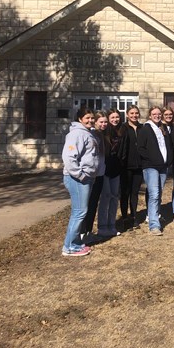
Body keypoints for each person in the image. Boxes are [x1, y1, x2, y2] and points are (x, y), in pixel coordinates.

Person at [61, 107, 99, 256]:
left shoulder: (88, 133)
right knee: (79, 212)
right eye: (87, 118)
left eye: (91, 118)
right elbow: (69, 158)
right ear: (80, 119)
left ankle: (75, 242)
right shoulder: (76, 134)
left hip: (86, 178)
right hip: (77, 179)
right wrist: (81, 175)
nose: (90, 120)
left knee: (80, 211)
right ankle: (69, 247)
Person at [138, 106, 172, 236]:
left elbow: (167, 145)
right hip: (151, 167)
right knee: (154, 194)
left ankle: (155, 216)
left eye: (159, 114)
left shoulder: (163, 128)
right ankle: (154, 225)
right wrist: (151, 159)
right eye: (154, 114)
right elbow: (141, 148)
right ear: (150, 115)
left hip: (163, 166)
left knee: (159, 193)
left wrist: (168, 160)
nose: (157, 116)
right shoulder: (145, 129)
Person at [97, 108, 122, 238]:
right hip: (104, 170)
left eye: (117, 117)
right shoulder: (102, 133)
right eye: (112, 118)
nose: (115, 120)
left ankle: (112, 225)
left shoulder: (120, 131)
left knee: (114, 197)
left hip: (116, 169)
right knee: (106, 197)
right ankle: (102, 226)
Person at [82, 110, 107, 239]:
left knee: (93, 204)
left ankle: (88, 231)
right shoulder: (90, 134)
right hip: (90, 175)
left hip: (100, 174)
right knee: (86, 205)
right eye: (101, 122)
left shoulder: (101, 135)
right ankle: (82, 232)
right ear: (95, 122)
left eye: (105, 122)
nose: (103, 124)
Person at [119, 105, 142, 230]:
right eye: (132, 113)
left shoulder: (142, 127)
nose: (134, 115)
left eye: (136, 113)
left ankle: (134, 217)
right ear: (127, 114)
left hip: (139, 166)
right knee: (125, 193)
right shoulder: (123, 128)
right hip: (126, 166)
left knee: (134, 193)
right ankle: (124, 218)